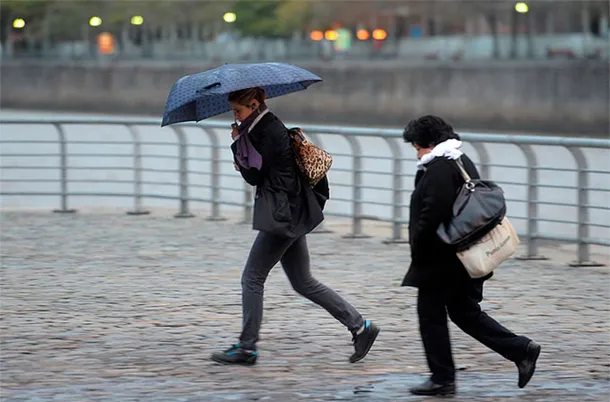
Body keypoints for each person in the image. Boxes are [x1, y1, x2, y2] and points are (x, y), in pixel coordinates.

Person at [212, 87, 380, 366]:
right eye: (234, 112)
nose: (236, 116)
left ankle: (246, 347)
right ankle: (361, 327)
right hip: (291, 211)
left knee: (252, 278)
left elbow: (254, 175)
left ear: (254, 104)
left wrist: (238, 143)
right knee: (303, 281)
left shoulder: (267, 130)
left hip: (282, 216)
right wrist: (243, 138)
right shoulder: (265, 127)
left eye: (238, 111)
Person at [401, 115, 541, 396]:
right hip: (462, 256)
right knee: (465, 312)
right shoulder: (458, 160)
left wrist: (421, 248)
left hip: (443, 259)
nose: (415, 152)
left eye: (416, 146)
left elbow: (434, 213)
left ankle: (442, 379)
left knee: (430, 316)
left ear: (428, 143)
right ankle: (521, 350)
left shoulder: (440, 167)